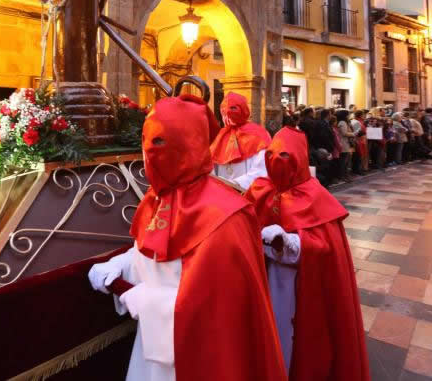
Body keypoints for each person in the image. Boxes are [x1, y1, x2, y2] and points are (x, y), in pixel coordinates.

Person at [88, 95, 287, 381]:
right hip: (152, 351)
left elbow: (218, 313)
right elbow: (157, 257)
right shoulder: (157, 198)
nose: (147, 150)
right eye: (145, 139)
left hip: (201, 362)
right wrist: (120, 264)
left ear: (188, 146)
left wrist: (141, 297)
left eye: (159, 142)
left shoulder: (228, 216)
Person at [244, 125, 369, 380]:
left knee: (292, 342)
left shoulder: (315, 197)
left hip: (298, 286)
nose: (276, 161)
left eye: (285, 156)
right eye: (271, 155)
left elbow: (324, 248)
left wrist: (287, 241)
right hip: (263, 278)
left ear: (299, 159)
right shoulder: (260, 190)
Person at [209, 92, 272, 190]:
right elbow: (211, 164)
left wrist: (237, 184)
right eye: (224, 109)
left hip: (246, 192)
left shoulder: (259, 134)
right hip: (221, 192)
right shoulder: (220, 135)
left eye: (234, 108)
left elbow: (262, 169)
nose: (228, 112)